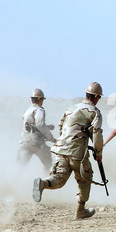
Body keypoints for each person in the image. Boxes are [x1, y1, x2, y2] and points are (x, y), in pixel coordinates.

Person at [32, 82, 104, 219]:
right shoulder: (95, 112)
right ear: (95, 97)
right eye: (99, 97)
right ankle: (81, 210)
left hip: (61, 149)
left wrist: (64, 142)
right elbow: (97, 134)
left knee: (59, 178)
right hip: (78, 153)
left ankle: (43, 183)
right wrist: (98, 153)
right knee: (85, 180)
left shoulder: (71, 108)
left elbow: (61, 126)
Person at [17, 88, 56, 170]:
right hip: (36, 142)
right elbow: (40, 124)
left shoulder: (28, 111)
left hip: (24, 141)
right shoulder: (39, 110)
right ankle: (46, 180)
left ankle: (11, 181)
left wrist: (48, 127)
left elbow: (34, 126)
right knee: (48, 161)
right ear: (40, 99)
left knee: (20, 166)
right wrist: (50, 137)